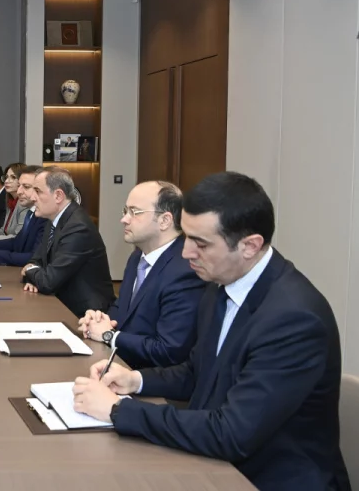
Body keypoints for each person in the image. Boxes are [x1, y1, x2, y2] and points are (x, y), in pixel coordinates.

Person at [72, 172, 349, 491]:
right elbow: (198, 372)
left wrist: (118, 410)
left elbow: (232, 433)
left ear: (250, 246)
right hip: (212, 461)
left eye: (200, 243)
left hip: (267, 478)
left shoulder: (294, 319)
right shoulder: (221, 284)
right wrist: (135, 380)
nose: (186, 252)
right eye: (187, 237)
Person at [78, 181, 204, 369]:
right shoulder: (137, 256)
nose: (124, 219)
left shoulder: (186, 271)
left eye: (135, 212)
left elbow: (168, 350)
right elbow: (123, 308)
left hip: (151, 377)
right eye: (125, 211)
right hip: (121, 363)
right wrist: (99, 320)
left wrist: (109, 336)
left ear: (165, 221)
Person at [21, 167, 113, 317]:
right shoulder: (54, 219)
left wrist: (31, 272)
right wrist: (33, 276)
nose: (32, 197)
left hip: (87, 314)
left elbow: (48, 281)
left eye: (37, 191)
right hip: (61, 303)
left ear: (58, 196)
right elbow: (37, 260)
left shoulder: (78, 227)